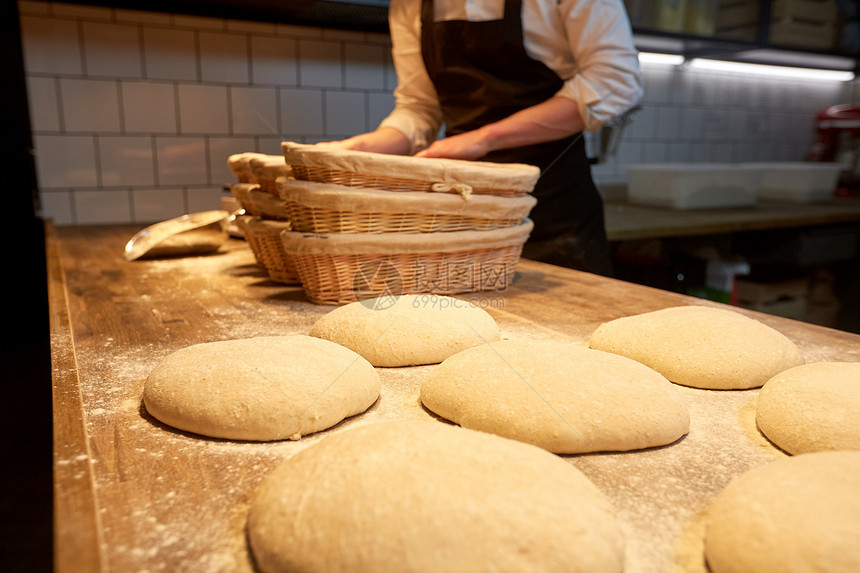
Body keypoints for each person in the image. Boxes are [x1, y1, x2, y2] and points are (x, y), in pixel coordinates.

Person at [322, 0, 643, 276]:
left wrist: (484, 139)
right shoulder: (410, 4)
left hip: (554, 208)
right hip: (464, 212)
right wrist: (364, 149)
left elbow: (614, 83)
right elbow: (419, 108)